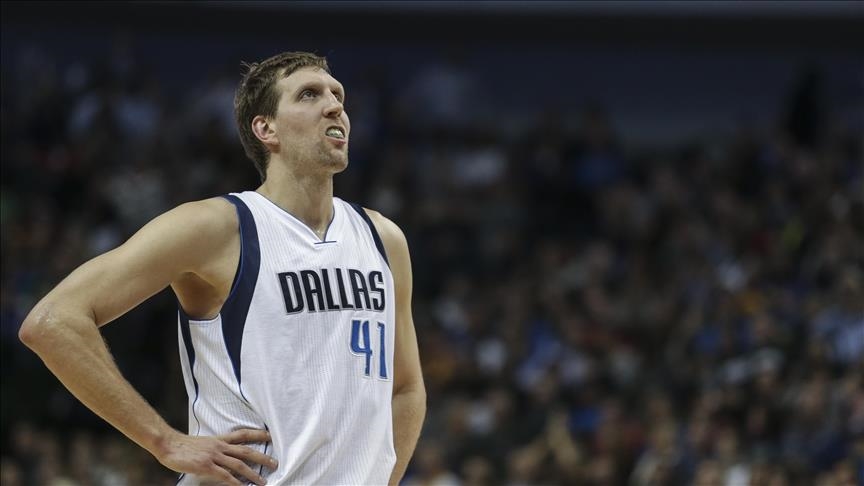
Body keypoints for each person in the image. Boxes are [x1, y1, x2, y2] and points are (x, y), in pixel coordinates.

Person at [18, 51, 427, 486]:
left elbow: (405, 388)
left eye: (337, 95)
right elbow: (53, 321)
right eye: (309, 94)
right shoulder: (218, 227)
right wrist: (164, 441)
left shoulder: (383, 239)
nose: (334, 106)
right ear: (266, 129)